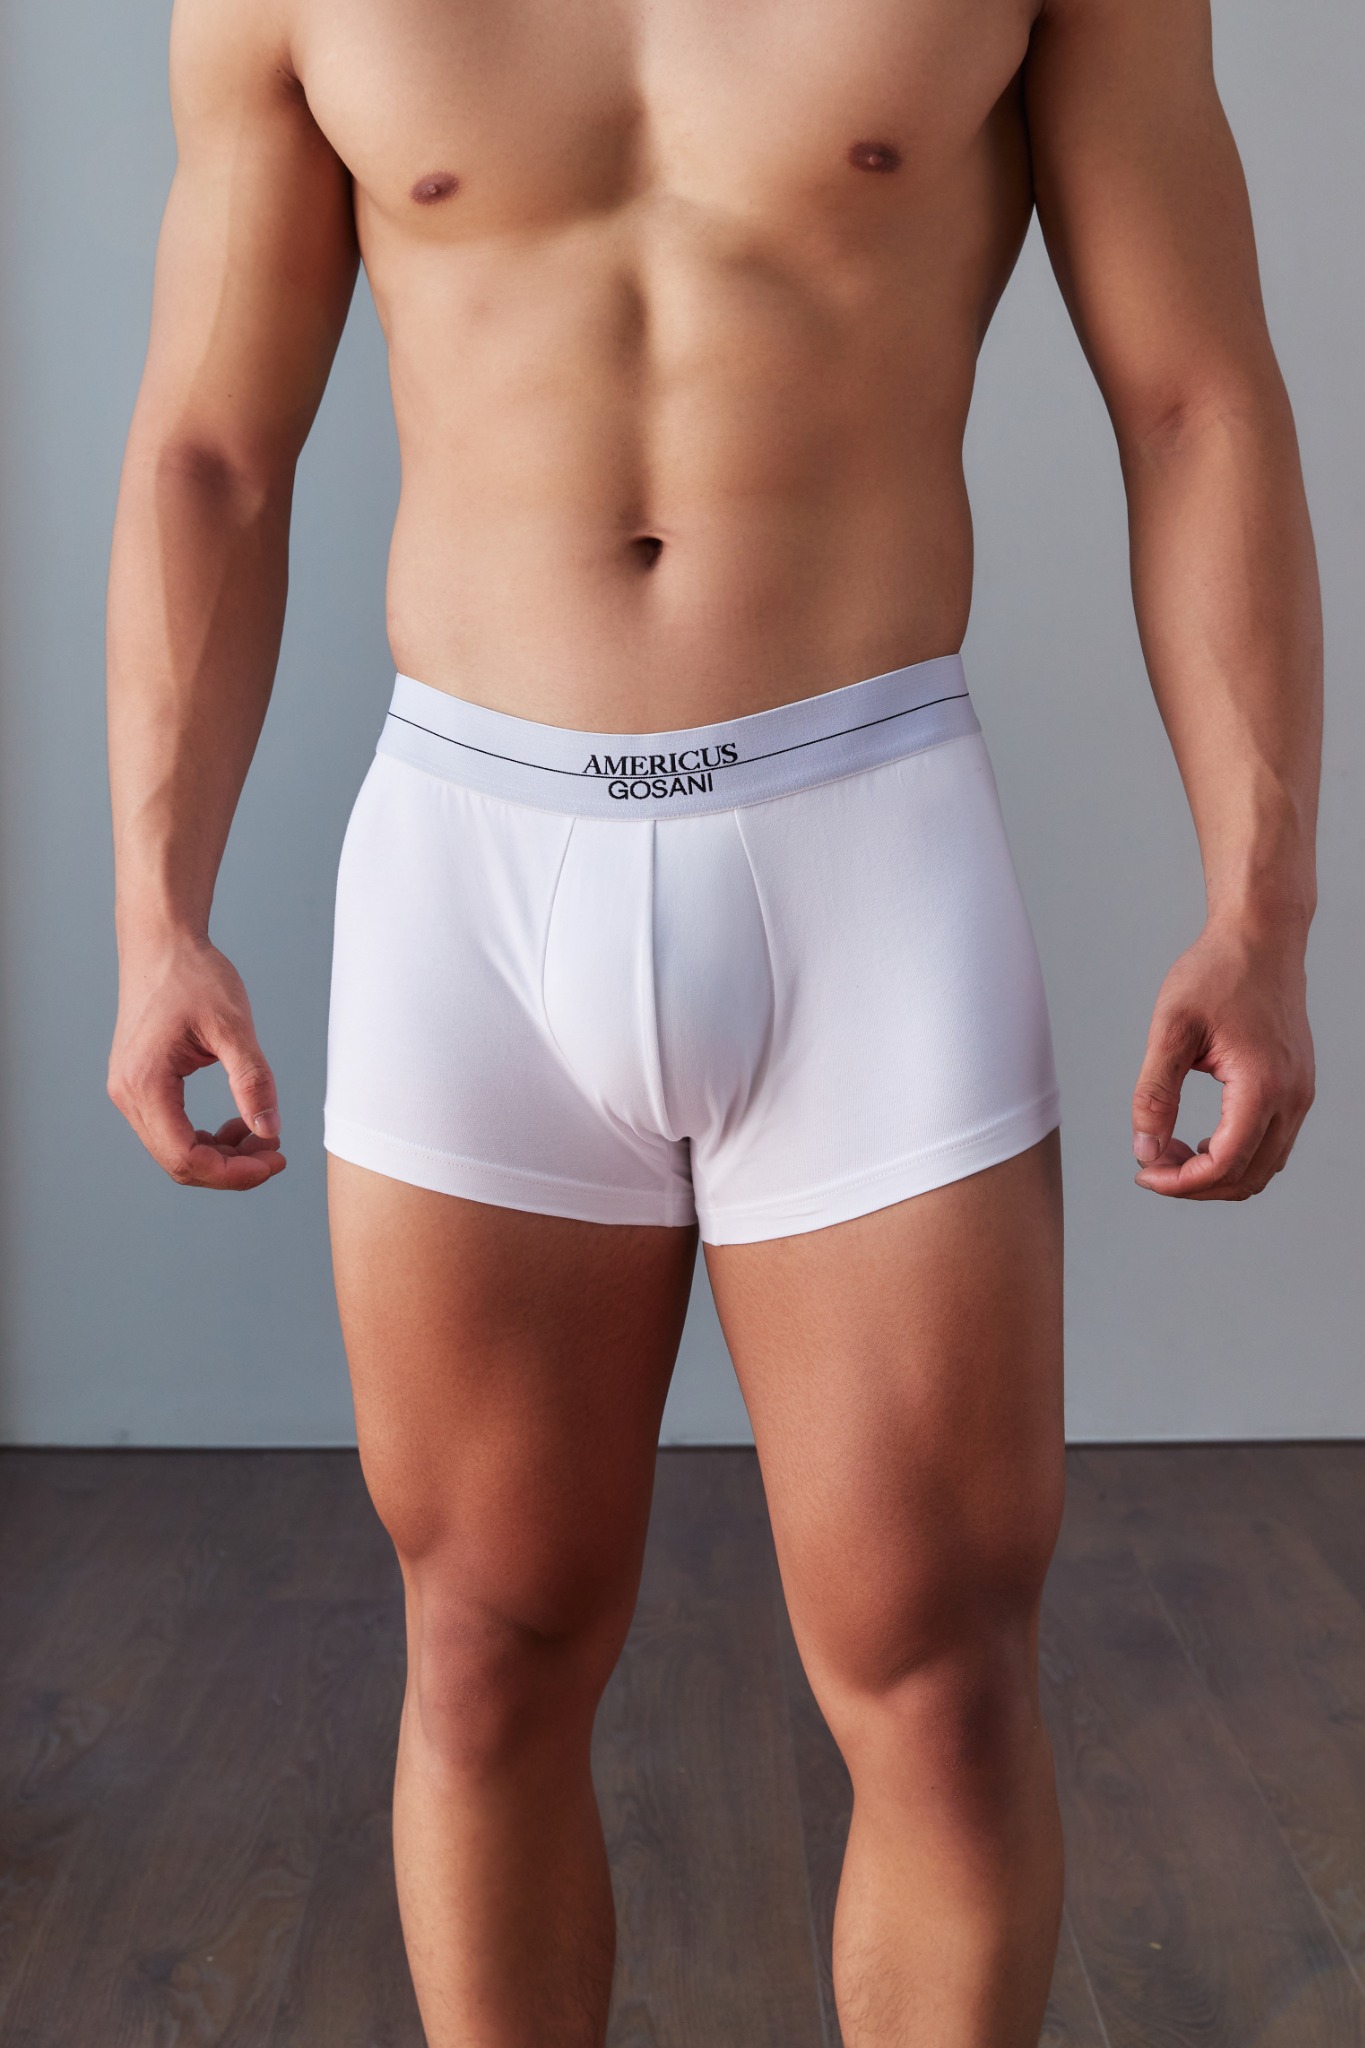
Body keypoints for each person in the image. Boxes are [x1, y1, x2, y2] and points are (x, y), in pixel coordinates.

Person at [104, 0, 1321, 2039]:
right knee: (485, 1641)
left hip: (859, 835)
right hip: (471, 864)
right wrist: (158, 914)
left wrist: (1258, 907)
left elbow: (1194, 397)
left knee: (938, 1674)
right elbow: (211, 450)